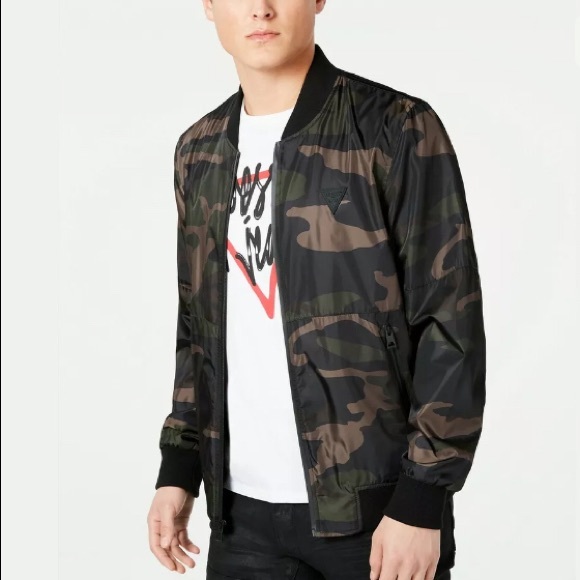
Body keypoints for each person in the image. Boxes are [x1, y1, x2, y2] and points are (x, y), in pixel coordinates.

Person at [146, 1, 487, 578]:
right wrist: (179, 466)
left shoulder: (394, 127)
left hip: (376, 513)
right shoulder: (199, 150)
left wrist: (423, 497)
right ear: (208, 5)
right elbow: (196, 325)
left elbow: (450, 320)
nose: (260, 9)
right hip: (240, 520)